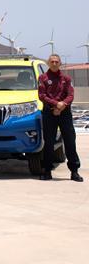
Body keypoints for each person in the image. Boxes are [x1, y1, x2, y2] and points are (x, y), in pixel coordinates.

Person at [39, 54, 82, 182]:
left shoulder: (66, 79)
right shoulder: (43, 78)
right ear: (48, 63)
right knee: (49, 143)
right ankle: (47, 171)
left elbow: (70, 94)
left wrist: (62, 105)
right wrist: (55, 104)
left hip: (65, 113)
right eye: (52, 61)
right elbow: (42, 95)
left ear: (60, 63)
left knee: (70, 142)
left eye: (56, 61)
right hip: (49, 113)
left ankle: (74, 172)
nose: (54, 63)